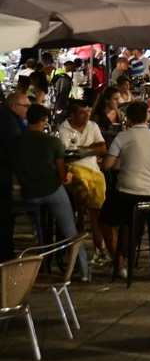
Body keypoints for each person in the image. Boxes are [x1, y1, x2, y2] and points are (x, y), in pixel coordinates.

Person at [99, 102, 150, 278]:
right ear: (147, 117)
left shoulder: (123, 136)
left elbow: (107, 164)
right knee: (130, 221)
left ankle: (119, 262)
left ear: (127, 119)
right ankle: (124, 257)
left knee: (105, 220)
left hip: (127, 192)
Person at [11, 104, 90, 280]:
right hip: (51, 189)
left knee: (39, 230)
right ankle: (84, 269)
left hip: (29, 193)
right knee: (70, 229)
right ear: (43, 120)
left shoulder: (16, 143)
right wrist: (68, 176)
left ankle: (42, 261)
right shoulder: (52, 142)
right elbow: (61, 175)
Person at [57, 98, 108, 266]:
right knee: (82, 193)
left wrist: (82, 150)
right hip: (74, 170)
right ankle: (80, 218)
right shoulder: (63, 129)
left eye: (88, 111)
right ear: (72, 114)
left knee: (98, 211)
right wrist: (91, 149)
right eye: (82, 112)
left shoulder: (92, 126)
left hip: (94, 171)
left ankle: (100, 249)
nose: (86, 115)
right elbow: (68, 155)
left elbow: (102, 148)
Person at [0, 92, 29, 261]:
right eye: (26, 106)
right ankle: (5, 255)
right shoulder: (8, 121)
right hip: (3, 175)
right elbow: (16, 147)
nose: (28, 109)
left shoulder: (12, 120)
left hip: (5, 173)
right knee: (4, 216)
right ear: (14, 107)